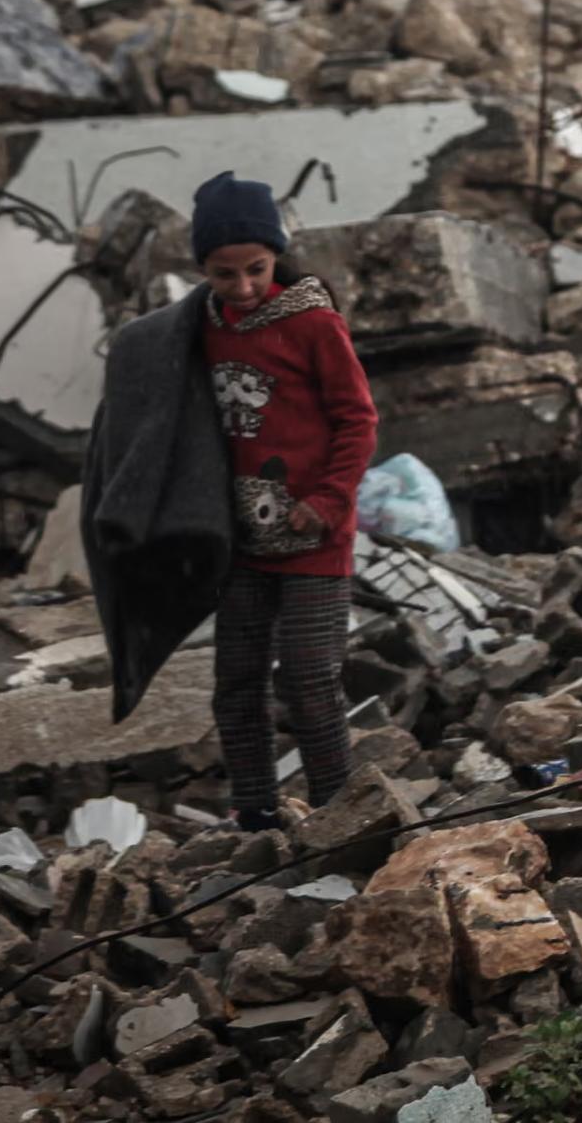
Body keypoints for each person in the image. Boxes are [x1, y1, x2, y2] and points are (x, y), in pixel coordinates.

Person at [185, 171, 377, 829]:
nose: (241, 288)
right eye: (223, 274)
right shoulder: (199, 327)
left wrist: (326, 500)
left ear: (276, 258)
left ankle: (339, 813)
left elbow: (358, 421)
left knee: (308, 678)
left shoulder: (313, 323)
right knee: (235, 682)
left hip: (316, 536)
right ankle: (256, 812)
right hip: (242, 539)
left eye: (255, 270)